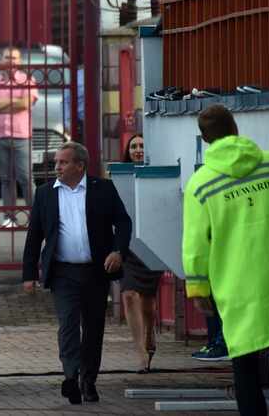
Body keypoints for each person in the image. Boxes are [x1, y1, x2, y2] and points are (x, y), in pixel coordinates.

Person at [183, 104, 269, 416]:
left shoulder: (199, 185)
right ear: (236, 128)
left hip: (237, 286)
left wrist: (198, 289)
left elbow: (195, 245)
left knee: (244, 364)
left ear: (205, 140)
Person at [22, 142, 132, 404]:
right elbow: (34, 235)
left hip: (96, 271)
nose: (57, 166)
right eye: (57, 162)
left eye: (63, 162)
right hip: (63, 273)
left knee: (93, 328)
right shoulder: (46, 193)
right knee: (68, 324)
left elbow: (124, 222)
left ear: (80, 165)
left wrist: (118, 252)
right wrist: (29, 275)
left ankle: (88, 380)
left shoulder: (102, 189)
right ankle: (70, 376)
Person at [120, 134, 164, 373]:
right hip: (127, 246)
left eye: (142, 146)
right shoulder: (119, 176)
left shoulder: (156, 174)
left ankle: (149, 336)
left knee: (147, 302)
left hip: (151, 242)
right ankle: (140, 352)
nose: (137, 150)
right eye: (133, 146)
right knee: (128, 295)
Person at [0, 47, 39, 227]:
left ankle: (36, 216)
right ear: (2, 60)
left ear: (20, 60)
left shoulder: (28, 80)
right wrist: (13, 103)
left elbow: (25, 104)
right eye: (7, 57)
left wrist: (2, 105)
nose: (11, 61)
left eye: (14, 58)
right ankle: (9, 217)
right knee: (6, 179)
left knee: (26, 178)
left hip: (21, 135)